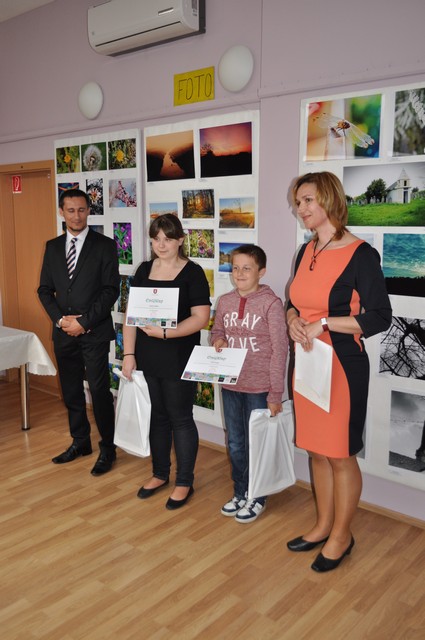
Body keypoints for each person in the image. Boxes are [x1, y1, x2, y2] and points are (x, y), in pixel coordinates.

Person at [286, 171, 392, 572]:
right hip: (306, 362)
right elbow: (294, 302)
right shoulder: (306, 250)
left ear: (329, 199)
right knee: (316, 449)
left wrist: (325, 323)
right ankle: (323, 525)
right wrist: (293, 320)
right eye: (298, 202)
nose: (301, 208)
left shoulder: (361, 254)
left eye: (307, 200)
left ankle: (342, 536)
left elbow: (380, 316)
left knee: (341, 455)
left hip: (342, 367)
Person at [122, 214, 210, 510]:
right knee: (157, 416)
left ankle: (184, 481)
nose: (161, 245)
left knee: (180, 417)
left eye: (168, 239)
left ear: (180, 240)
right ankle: (160, 474)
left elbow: (201, 318)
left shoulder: (193, 272)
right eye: (156, 239)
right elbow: (130, 317)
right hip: (148, 356)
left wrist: (165, 333)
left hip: (179, 356)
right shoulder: (144, 270)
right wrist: (129, 354)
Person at [38, 188, 120, 475]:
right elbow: (45, 290)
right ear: (61, 212)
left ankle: (108, 448)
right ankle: (81, 441)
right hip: (63, 332)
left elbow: (111, 290)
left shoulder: (105, 246)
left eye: (82, 210)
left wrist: (84, 322)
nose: (76, 216)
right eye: (71, 210)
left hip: (94, 331)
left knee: (98, 390)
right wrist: (61, 321)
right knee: (71, 390)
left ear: (88, 211)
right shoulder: (52, 247)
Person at [211, 245, 288, 523]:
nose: (239, 273)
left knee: (258, 444)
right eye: (235, 268)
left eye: (247, 268)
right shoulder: (225, 301)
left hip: (260, 388)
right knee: (235, 443)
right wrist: (218, 340)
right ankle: (240, 491)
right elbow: (216, 331)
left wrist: (275, 393)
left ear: (261, 272)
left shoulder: (271, 304)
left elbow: (280, 350)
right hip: (231, 385)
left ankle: (258, 495)